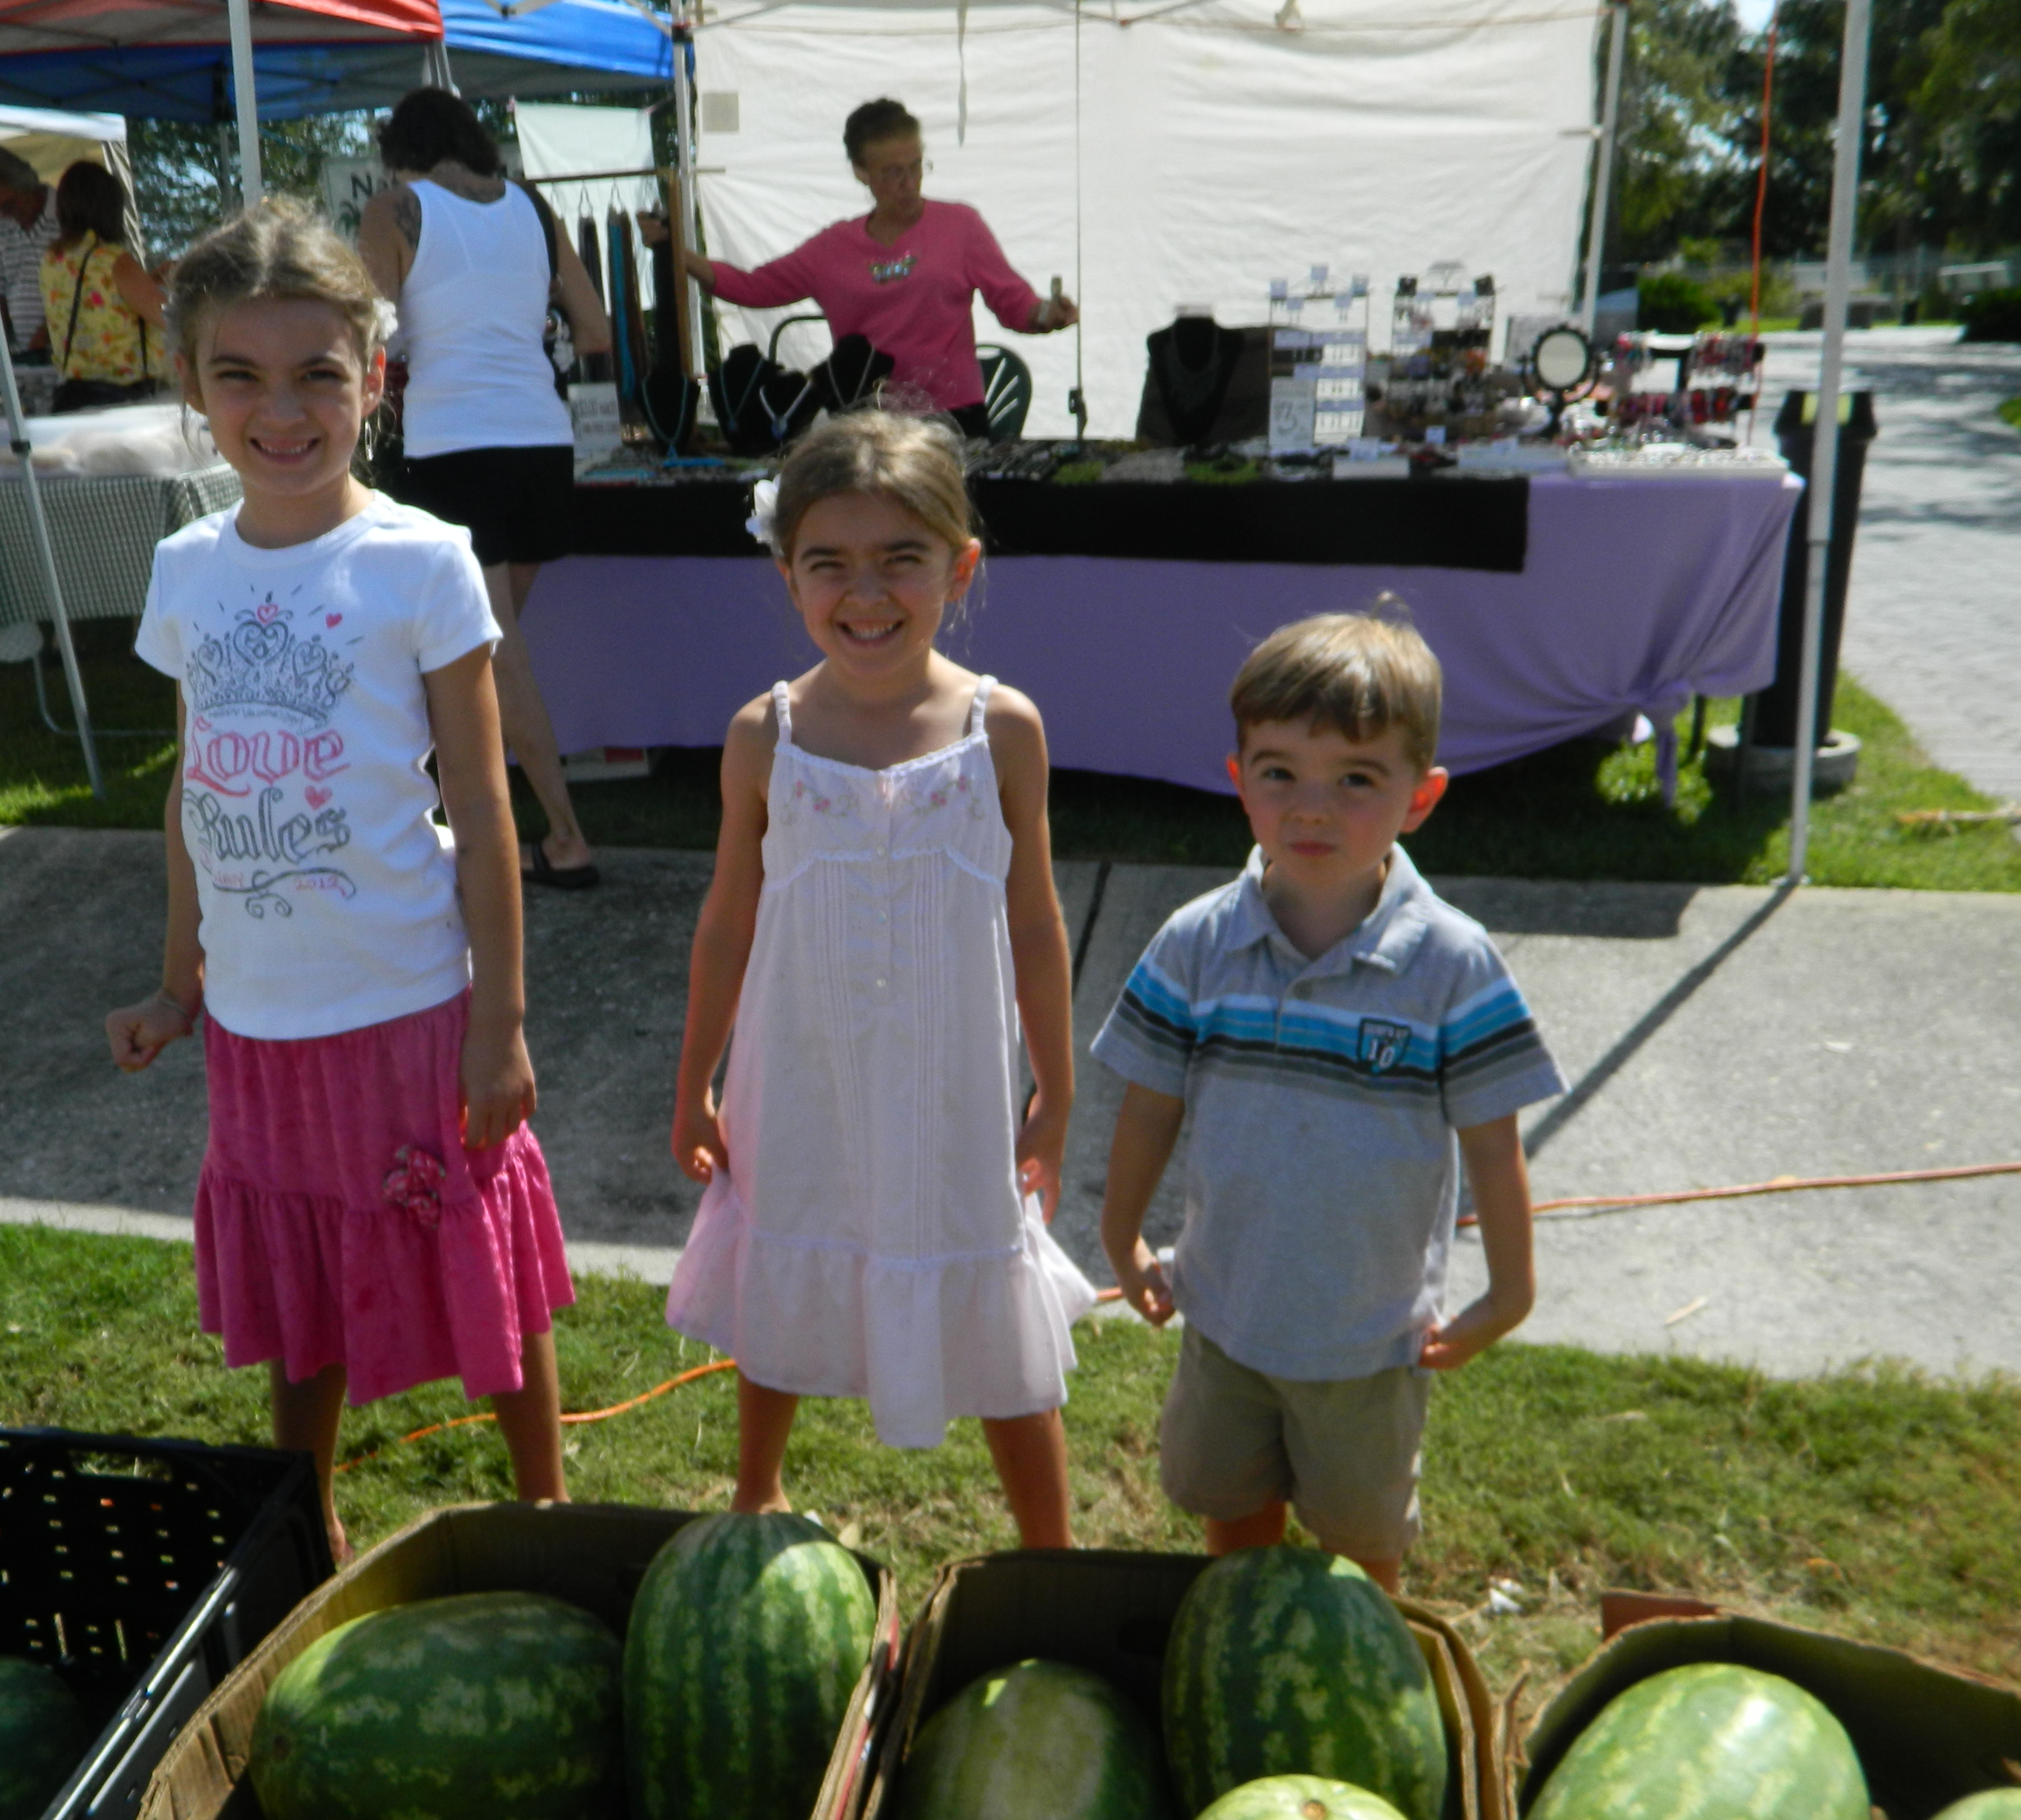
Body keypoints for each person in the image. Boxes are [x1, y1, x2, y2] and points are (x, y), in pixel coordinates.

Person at [104, 197, 571, 1563]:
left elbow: (483, 807)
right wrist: (178, 982)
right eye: (239, 374)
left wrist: (500, 1022)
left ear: (375, 376)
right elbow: (195, 793)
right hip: (259, 1027)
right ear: (191, 386)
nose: (281, 409)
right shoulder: (184, 569)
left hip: (410, 1009)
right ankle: (302, 1518)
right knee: (300, 1277)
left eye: (317, 372)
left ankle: (548, 1508)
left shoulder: (422, 561)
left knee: (476, 1259)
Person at [666, 410, 1096, 1546]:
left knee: (990, 1286)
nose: (866, 594)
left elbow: (1037, 921)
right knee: (789, 1251)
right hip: (798, 1081)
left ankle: (1050, 1550)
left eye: (901, 558)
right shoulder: (765, 736)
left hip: (954, 1096)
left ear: (960, 567)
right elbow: (728, 920)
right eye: (831, 563)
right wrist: (695, 1079)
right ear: (788, 574)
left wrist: (1054, 1090)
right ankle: (756, 1492)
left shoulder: (1003, 732)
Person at [1091, 609, 1567, 1593]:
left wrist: (1511, 1293)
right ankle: (1237, 1646)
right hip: (1224, 1316)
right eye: (1280, 773)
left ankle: (1366, 1659)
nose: (1311, 808)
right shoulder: (1197, 944)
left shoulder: (1452, 964)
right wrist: (1121, 1235)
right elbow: (1149, 1106)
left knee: (1362, 1552)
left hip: (1369, 1340)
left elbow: (1493, 1146)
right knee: (1233, 1518)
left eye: (1355, 779)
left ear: (1420, 797)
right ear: (1239, 780)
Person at [358, 88, 614, 892]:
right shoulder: (532, 207)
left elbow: (368, 331)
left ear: (400, 153)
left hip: (454, 443)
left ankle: (565, 835)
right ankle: (437, 799)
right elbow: (597, 330)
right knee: (473, 653)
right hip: (543, 440)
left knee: (490, 653)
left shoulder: (396, 209)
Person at [642, 98, 1078, 439]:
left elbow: (1013, 301)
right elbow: (755, 287)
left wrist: (1046, 313)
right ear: (860, 173)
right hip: (867, 422)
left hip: (952, 416)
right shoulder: (834, 247)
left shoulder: (961, 226)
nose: (908, 184)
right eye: (891, 173)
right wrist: (679, 254)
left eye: (916, 167)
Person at [40, 161, 168, 412]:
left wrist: (148, 281)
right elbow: (168, 317)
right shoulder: (112, 259)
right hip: (124, 399)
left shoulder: (53, 259)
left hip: (76, 394)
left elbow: (99, 298)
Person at [0, 144, 58, 361]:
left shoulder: (66, 213)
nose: (4, 215)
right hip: (28, 351)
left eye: (8, 205)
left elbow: (81, 286)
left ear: (27, 185)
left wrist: (46, 333)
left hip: (71, 345)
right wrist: (0, 350)